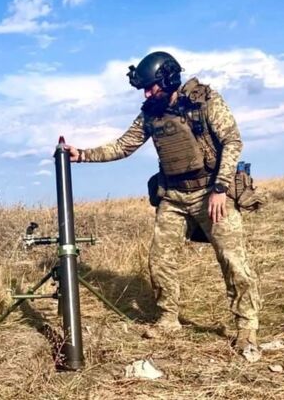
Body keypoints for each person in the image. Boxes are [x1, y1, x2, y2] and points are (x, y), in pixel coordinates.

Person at [65, 51, 262, 362]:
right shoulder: (150, 114)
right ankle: (169, 320)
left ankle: (246, 326)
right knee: (160, 261)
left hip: (211, 193)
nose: (146, 94)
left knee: (232, 261)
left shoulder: (205, 101)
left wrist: (220, 188)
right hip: (173, 196)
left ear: (168, 79)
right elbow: (123, 146)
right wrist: (82, 155)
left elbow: (232, 141)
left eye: (151, 87)